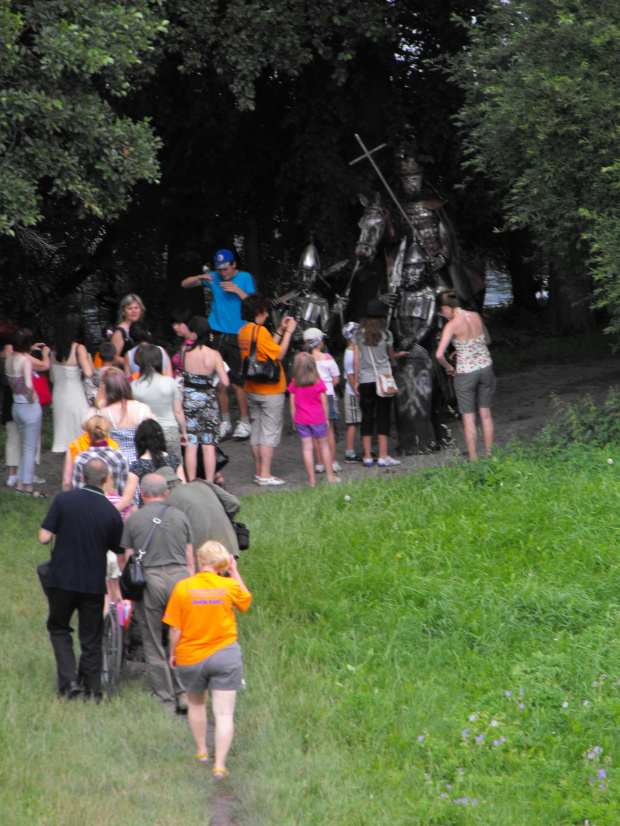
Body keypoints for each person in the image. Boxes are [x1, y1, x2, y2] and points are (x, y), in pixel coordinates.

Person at [38, 458, 124, 700]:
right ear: (107, 479)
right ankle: (92, 689)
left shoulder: (64, 500)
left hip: (61, 578)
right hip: (93, 583)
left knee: (59, 628)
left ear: (82, 477)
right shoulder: (111, 512)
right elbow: (118, 553)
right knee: (92, 635)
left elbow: (44, 538)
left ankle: (69, 683)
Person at [164, 540, 251, 775]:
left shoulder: (183, 587)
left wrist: (173, 652)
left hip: (191, 656)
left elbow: (175, 629)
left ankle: (202, 751)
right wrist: (233, 571)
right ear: (223, 562)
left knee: (196, 703)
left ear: (200, 560)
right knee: (224, 714)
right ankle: (220, 766)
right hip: (225, 655)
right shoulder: (228, 585)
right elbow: (245, 601)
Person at [120, 473, 194, 712]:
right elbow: (190, 560)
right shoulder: (181, 517)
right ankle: (184, 693)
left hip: (150, 581)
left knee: (152, 641)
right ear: (167, 493)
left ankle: (164, 698)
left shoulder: (133, 519)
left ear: (141, 493)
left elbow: (128, 561)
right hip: (180, 580)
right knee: (180, 637)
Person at [181, 249, 255, 441]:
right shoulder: (213, 277)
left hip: (239, 334)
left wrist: (237, 290)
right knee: (219, 382)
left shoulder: (245, 278)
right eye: (220, 269)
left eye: (226, 269)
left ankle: (245, 423)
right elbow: (185, 284)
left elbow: (255, 306)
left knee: (238, 382)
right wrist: (199, 276)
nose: (223, 273)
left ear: (233, 265)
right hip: (217, 333)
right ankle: (225, 422)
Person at [238, 295, 296, 486]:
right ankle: (265, 475)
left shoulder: (244, 331)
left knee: (257, 429)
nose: (266, 314)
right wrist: (289, 333)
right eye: (264, 310)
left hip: (252, 388)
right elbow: (278, 353)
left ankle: (258, 472)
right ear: (258, 312)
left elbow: (262, 349)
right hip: (270, 389)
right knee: (269, 432)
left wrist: (279, 330)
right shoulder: (260, 331)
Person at [435, 291, 495, 460]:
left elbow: (439, 355)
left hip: (465, 373)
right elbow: (486, 340)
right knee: (486, 415)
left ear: (445, 307)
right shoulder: (475, 315)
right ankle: (490, 456)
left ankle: (474, 459)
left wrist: (448, 367)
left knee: (469, 419)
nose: (442, 315)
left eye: (441, 312)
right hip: (485, 368)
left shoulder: (452, 325)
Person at [352, 299, 407, 468]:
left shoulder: (358, 334)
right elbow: (391, 356)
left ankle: (367, 457)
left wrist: (355, 380)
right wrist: (399, 354)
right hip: (384, 381)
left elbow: (356, 361)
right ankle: (383, 457)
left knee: (367, 417)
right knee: (383, 417)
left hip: (366, 380)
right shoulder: (387, 334)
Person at [182, 317, 229, 483]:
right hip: (208, 400)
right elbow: (225, 381)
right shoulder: (214, 355)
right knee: (209, 446)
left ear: (194, 334)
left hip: (189, 400)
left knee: (191, 445)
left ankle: (192, 481)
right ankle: (209, 483)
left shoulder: (184, 352)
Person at [158, 465, 241, 558]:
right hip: (228, 546)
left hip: (203, 555)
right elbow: (234, 503)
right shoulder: (203, 483)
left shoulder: (166, 502)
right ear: (178, 479)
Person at [4, 328, 45, 496]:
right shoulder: (25, 361)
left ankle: (20, 484)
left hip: (15, 406)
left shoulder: (8, 358)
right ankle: (27, 486)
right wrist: (31, 399)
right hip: (28, 407)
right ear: (27, 344)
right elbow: (28, 384)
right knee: (30, 449)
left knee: (24, 447)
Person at [288, 353, 339, 487]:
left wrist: (294, 420)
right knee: (324, 447)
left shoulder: (294, 384)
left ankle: (311, 480)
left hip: (301, 419)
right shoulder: (318, 382)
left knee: (307, 449)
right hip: (318, 418)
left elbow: (292, 404)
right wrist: (326, 418)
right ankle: (330, 476)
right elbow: (325, 403)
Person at [114, 419, 186, 511]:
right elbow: (183, 488)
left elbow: (126, 501)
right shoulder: (174, 460)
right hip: (172, 510)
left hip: (147, 512)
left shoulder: (138, 465)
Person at [91, 368, 155, 469]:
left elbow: (98, 402)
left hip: (116, 462)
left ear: (108, 390)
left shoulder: (104, 412)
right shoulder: (143, 408)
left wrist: (103, 381)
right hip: (142, 460)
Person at [131, 344, 187, 456]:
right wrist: (184, 431)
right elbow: (178, 411)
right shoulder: (169, 382)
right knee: (176, 466)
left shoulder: (133, 385)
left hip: (146, 434)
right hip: (169, 430)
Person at [50, 313, 94, 453]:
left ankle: (67, 469)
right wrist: (88, 360)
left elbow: (52, 378)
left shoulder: (54, 349)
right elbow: (89, 372)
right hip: (75, 396)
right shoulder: (78, 348)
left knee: (66, 438)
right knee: (79, 434)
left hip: (58, 396)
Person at [302, 327, 342, 474]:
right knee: (329, 430)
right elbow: (336, 379)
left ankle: (319, 463)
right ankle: (331, 461)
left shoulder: (304, 359)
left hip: (309, 397)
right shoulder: (327, 358)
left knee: (314, 430)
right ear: (320, 342)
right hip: (327, 395)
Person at [65, 414, 127, 495]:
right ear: (107, 431)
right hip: (113, 505)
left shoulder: (80, 459)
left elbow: (78, 489)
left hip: (87, 505)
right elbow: (123, 489)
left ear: (88, 433)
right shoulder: (119, 457)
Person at [342, 322, 362, 462]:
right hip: (353, 392)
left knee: (359, 421)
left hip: (356, 390)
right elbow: (350, 375)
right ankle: (349, 452)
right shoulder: (349, 354)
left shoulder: (356, 350)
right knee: (353, 423)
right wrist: (357, 390)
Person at [110, 294, 145, 367]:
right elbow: (114, 358)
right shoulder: (119, 332)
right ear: (123, 312)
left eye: (136, 308)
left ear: (141, 310)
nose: (134, 311)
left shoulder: (143, 327)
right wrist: (134, 363)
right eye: (130, 308)